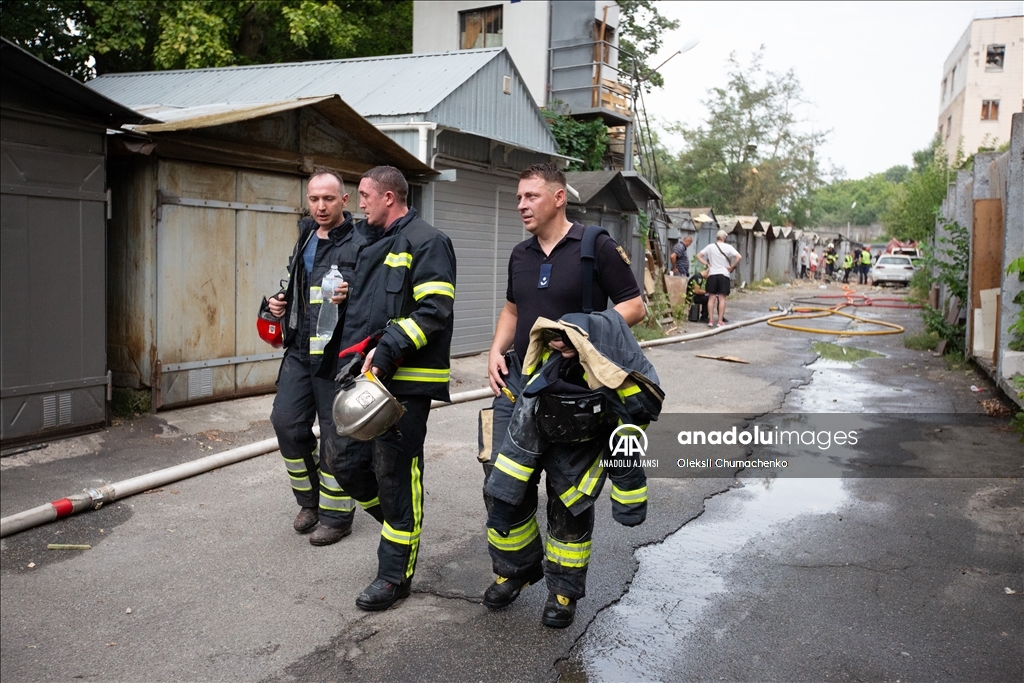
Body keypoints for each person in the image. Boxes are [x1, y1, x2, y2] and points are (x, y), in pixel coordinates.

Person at [482, 163, 645, 628]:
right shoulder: (520, 254)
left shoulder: (595, 246)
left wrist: (581, 336)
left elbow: (633, 307)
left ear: (558, 198)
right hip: (518, 390)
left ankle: (563, 591)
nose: (521, 205)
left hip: (575, 393)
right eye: (518, 197)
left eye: (531, 196)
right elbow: (513, 308)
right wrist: (496, 349)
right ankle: (515, 571)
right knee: (502, 488)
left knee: (569, 495)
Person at [321, 166, 457, 612]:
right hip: (362, 379)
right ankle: (400, 524)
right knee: (344, 461)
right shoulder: (368, 242)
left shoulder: (428, 241)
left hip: (405, 385)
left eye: (364, 195)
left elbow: (434, 310)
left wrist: (388, 350)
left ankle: (393, 576)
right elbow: (361, 314)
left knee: (396, 476)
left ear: (389, 197)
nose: (359, 203)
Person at [267, 169, 364, 546]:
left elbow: (372, 295)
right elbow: (300, 288)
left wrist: (351, 292)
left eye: (328, 199)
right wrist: (279, 304)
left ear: (345, 200)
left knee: (337, 435)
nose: (320, 206)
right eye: (314, 199)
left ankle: (337, 516)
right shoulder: (305, 235)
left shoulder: (360, 241)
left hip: (337, 354)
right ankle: (308, 502)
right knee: (286, 422)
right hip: (300, 348)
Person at [696, 230, 741, 327]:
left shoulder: (710, 247)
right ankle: (720, 321)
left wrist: (707, 264)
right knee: (722, 298)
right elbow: (739, 257)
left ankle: (711, 321)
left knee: (711, 298)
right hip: (724, 275)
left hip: (712, 274)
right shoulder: (728, 247)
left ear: (717, 237)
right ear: (724, 238)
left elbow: (698, 256)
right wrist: (732, 266)